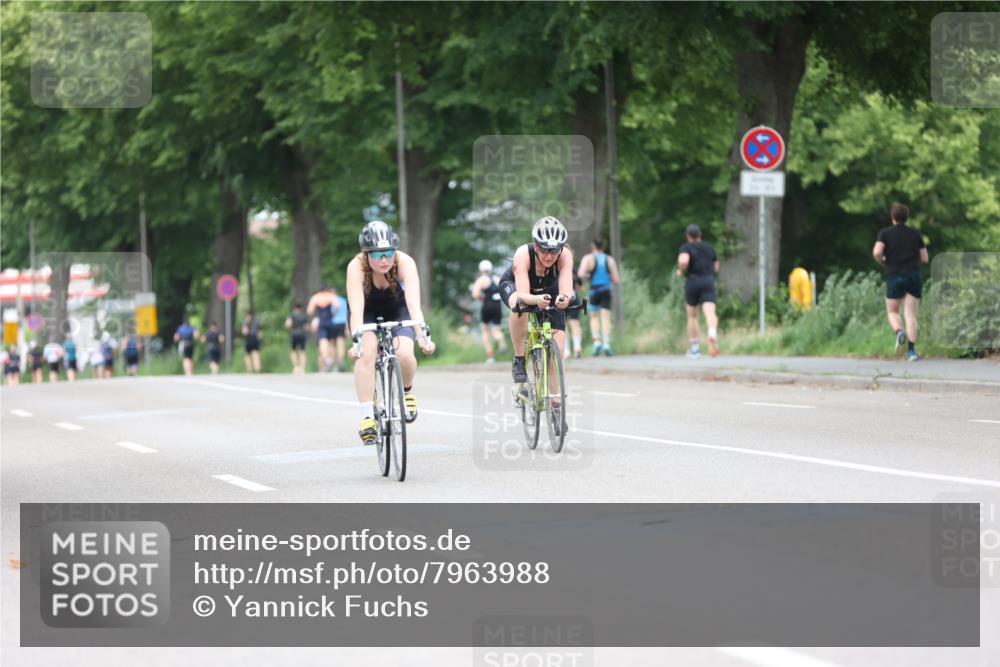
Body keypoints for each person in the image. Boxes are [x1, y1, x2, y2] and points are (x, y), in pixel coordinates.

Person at [346, 221, 435, 445]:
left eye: (389, 253)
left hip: (398, 308)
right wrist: (355, 343)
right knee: (367, 353)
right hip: (366, 312)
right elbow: (356, 309)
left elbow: (414, 305)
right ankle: (367, 417)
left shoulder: (405, 262)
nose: (384, 260)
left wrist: (423, 337)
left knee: (405, 353)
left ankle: (406, 393)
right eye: (378, 255)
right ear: (366, 254)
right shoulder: (355, 267)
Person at [498, 216, 574, 433]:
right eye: (544, 250)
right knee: (519, 307)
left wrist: (564, 299)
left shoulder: (565, 255)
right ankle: (519, 359)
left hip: (548, 291)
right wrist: (534, 301)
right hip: (517, 288)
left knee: (557, 351)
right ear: (535, 244)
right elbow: (523, 294)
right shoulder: (524, 254)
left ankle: (556, 406)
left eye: (554, 250)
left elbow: (567, 288)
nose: (549, 256)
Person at [873, 202, 928, 362]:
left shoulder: (885, 233)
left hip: (894, 275)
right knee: (910, 314)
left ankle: (899, 331)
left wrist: (884, 261)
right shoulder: (915, 234)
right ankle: (911, 352)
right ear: (907, 217)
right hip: (913, 275)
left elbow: (877, 252)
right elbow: (925, 258)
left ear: (893, 217)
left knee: (892, 312)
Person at [676, 224, 720, 358]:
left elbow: (683, 261)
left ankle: (695, 349)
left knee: (692, 316)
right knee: (710, 312)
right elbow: (716, 267)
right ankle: (712, 334)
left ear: (688, 236)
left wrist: (681, 270)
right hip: (708, 281)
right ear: (700, 234)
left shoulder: (686, 247)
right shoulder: (709, 248)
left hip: (693, 281)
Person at [577, 239, 620, 356]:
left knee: (594, 316)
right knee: (606, 317)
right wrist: (607, 276)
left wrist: (589, 275)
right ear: (603, 247)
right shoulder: (609, 259)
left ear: (593, 246)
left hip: (594, 290)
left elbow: (580, 273)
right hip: (606, 290)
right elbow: (616, 279)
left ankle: (596, 341)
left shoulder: (588, 258)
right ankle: (606, 343)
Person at [470, 260, 507, 364]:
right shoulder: (496, 278)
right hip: (497, 306)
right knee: (497, 330)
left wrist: (482, 298)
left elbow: (475, 294)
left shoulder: (481, 280)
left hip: (486, 305)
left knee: (485, 331)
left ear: (480, 269)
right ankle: (500, 339)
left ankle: (490, 356)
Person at [307, 285, 342, 372]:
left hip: (321, 321)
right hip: (330, 320)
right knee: (331, 341)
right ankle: (332, 361)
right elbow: (338, 306)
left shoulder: (315, 298)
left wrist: (315, 312)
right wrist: (334, 314)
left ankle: (327, 359)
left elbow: (309, 311)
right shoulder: (330, 296)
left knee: (323, 340)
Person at [285, 303, 309, 374]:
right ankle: (302, 368)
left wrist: (290, 329)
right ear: (300, 308)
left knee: (293, 350)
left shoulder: (291, 315)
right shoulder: (304, 316)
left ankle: (295, 367)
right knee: (303, 351)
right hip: (302, 334)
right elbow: (306, 327)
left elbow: (288, 324)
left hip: (294, 334)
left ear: (294, 308)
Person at [565, 274, 584, 359]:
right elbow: (580, 287)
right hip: (573, 296)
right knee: (575, 323)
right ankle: (577, 348)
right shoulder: (573, 270)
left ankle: (567, 350)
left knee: (563, 325)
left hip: (560, 297)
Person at [330, 286, 349, 372]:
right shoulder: (343, 300)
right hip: (342, 323)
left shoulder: (330, 301)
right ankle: (340, 360)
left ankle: (334, 364)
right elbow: (346, 315)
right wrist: (347, 327)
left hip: (333, 323)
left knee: (333, 344)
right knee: (341, 343)